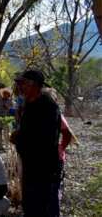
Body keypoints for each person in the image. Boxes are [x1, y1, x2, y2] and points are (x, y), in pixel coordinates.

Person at [10, 70, 62, 217]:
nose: (19, 86)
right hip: (29, 166)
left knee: (40, 207)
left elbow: (46, 140)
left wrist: (20, 138)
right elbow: (30, 131)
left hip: (43, 168)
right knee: (29, 205)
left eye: (23, 82)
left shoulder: (48, 107)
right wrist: (19, 134)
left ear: (33, 85)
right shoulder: (28, 105)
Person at [41, 87, 79, 217]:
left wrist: (61, 148)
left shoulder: (56, 113)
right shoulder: (33, 113)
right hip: (39, 158)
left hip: (52, 158)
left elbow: (67, 134)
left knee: (52, 191)